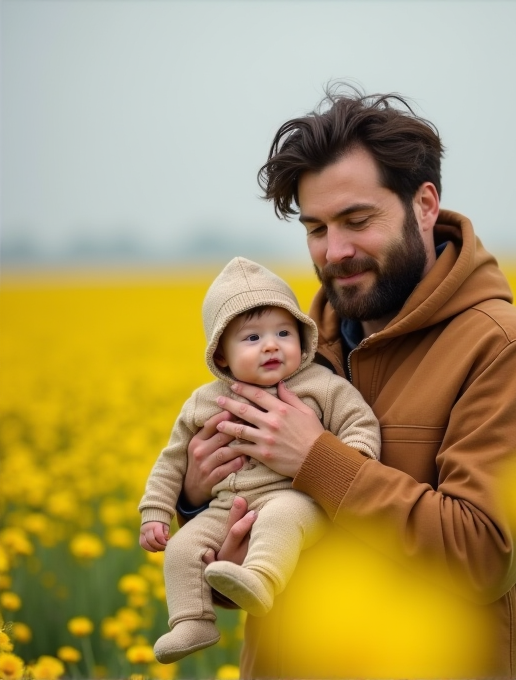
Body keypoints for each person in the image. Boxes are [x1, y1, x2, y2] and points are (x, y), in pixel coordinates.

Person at [178, 87, 516, 678]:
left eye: (357, 220)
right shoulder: (295, 355)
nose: (335, 251)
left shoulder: (506, 351)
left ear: (424, 204)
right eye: (315, 228)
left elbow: (484, 556)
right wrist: (199, 500)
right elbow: (272, 570)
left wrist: (319, 459)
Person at [139, 256, 380, 664]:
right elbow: (173, 461)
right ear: (221, 356)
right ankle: (192, 620)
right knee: (183, 548)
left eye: (283, 333)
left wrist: (351, 460)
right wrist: (156, 511)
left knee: (281, 517)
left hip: (300, 498)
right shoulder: (204, 401)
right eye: (252, 338)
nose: (271, 345)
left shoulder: (321, 385)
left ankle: (260, 579)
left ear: (302, 339)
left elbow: (360, 423)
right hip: (225, 507)